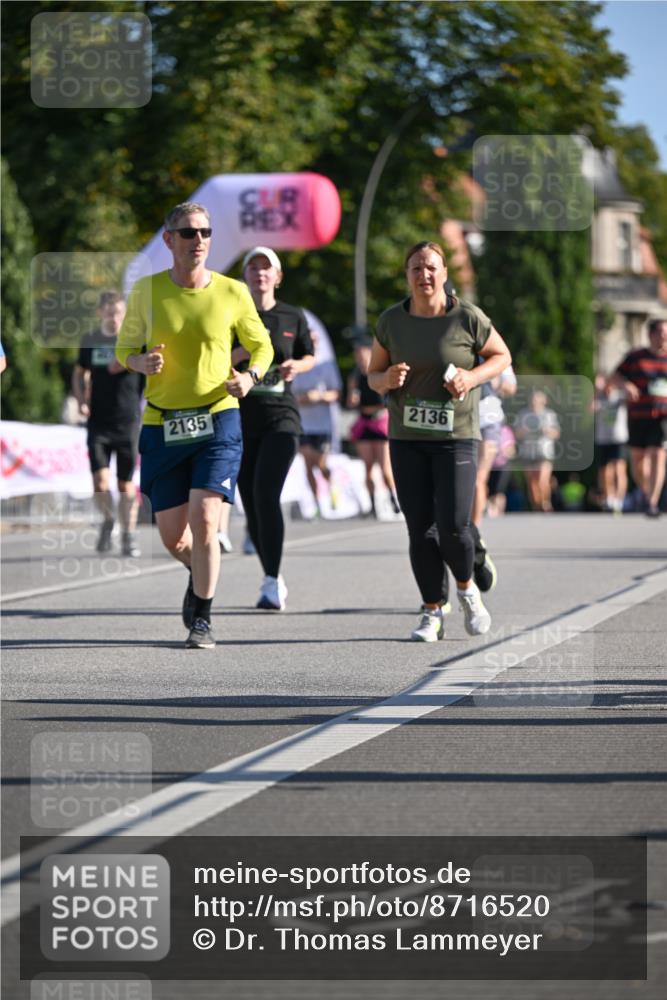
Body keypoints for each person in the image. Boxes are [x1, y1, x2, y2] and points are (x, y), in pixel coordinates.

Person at [115, 202, 273, 648]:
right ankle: (197, 574)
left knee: (206, 519)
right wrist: (139, 361)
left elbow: (261, 347)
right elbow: (123, 349)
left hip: (218, 415)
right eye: (188, 233)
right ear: (169, 240)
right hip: (163, 423)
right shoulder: (145, 291)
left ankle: (201, 617)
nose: (198, 240)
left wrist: (250, 377)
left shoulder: (231, 292)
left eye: (204, 232)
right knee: (172, 537)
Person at [367, 240, 512, 642]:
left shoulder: (467, 317)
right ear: (407, 275)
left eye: (431, 267)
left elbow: (501, 356)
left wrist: (471, 378)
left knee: (452, 527)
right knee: (420, 530)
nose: (424, 275)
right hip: (407, 437)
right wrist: (386, 380)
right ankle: (432, 610)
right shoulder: (392, 321)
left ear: (444, 273)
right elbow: (372, 376)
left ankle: (467, 591)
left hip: (456, 436)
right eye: (416, 268)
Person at [233, 246, 315, 610]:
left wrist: (298, 366)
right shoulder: (231, 315)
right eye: (253, 267)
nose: (260, 273)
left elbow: (309, 354)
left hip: (282, 417)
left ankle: (271, 580)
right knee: (250, 501)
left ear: (278, 277)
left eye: (267, 268)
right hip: (238, 418)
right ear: (245, 275)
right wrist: (235, 356)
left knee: (266, 493)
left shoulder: (292, 316)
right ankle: (270, 575)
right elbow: (211, 355)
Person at [72, 291, 143, 556]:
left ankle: (128, 534)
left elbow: (149, 377)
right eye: (110, 312)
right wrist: (81, 400)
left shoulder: (135, 341)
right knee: (100, 483)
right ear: (100, 313)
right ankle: (108, 519)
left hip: (127, 422)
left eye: (119, 313)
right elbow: (79, 373)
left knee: (126, 485)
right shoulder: (90, 340)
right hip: (98, 423)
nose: (114, 318)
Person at [612, 318, 667, 518]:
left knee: (658, 456)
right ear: (651, 334)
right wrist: (626, 385)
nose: (664, 336)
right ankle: (645, 491)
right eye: (661, 331)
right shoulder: (635, 357)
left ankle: (652, 503)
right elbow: (615, 376)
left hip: (662, 416)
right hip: (638, 414)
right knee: (637, 460)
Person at [471, 364, 517, 589]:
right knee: (466, 479)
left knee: (479, 478)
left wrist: (496, 381)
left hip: (489, 419)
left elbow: (511, 387)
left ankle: (475, 534)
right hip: (462, 420)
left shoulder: (495, 353)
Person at [347, 335, 400, 518]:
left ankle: (394, 500)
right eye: (357, 354)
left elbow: (389, 398)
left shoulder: (379, 374)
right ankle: (371, 505)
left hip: (380, 420)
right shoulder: (355, 376)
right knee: (367, 466)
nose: (360, 357)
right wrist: (352, 400)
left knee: (385, 467)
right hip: (364, 420)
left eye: (362, 352)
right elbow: (350, 401)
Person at [293, 329, 343, 516]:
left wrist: (319, 396)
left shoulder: (326, 365)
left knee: (320, 464)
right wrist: (302, 399)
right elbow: (290, 394)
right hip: (304, 424)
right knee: (308, 464)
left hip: (322, 424)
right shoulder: (298, 364)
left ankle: (332, 488)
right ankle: (316, 504)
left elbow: (336, 393)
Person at [514, 389, 560, 512]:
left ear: (544, 401)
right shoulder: (523, 414)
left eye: (538, 399)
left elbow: (556, 433)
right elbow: (517, 434)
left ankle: (546, 503)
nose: (535, 402)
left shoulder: (549, 415)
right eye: (533, 399)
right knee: (532, 482)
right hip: (528, 452)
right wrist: (524, 430)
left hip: (544, 451)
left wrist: (547, 430)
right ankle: (537, 506)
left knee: (542, 479)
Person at [592, 373, 628, 513]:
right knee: (604, 471)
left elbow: (631, 397)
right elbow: (591, 408)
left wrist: (618, 384)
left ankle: (619, 499)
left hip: (619, 438)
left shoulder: (619, 396)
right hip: (603, 438)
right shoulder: (599, 398)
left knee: (619, 468)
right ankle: (609, 497)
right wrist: (597, 392)